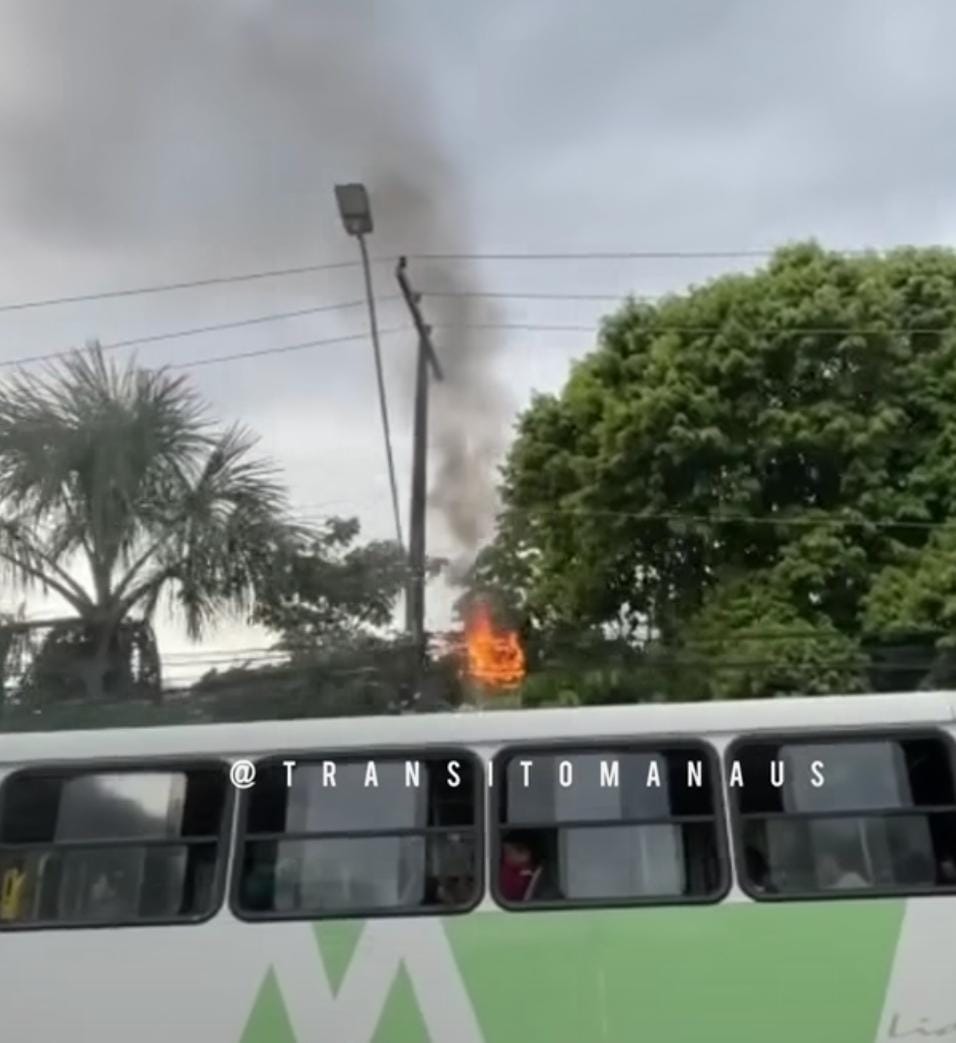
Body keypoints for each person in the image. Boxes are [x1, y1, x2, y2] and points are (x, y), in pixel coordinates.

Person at [498, 831, 543, 902]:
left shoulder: (533, 870)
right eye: (505, 852)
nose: (506, 856)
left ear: (524, 852)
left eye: (509, 852)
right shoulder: (506, 869)